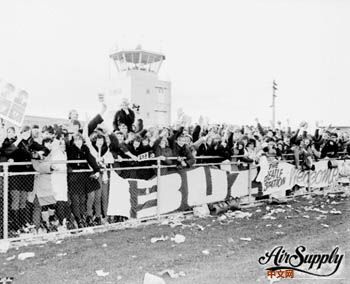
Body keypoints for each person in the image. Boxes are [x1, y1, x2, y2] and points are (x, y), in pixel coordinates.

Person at [66, 133, 100, 228]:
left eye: (79, 139)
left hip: (83, 176)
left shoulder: (85, 148)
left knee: (83, 199)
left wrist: (97, 170)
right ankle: (78, 219)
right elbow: (72, 160)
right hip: (74, 177)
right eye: (76, 140)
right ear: (73, 141)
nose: (78, 141)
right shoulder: (70, 149)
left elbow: (90, 158)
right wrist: (81, 151)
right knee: (75, 199)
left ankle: (83, 216)